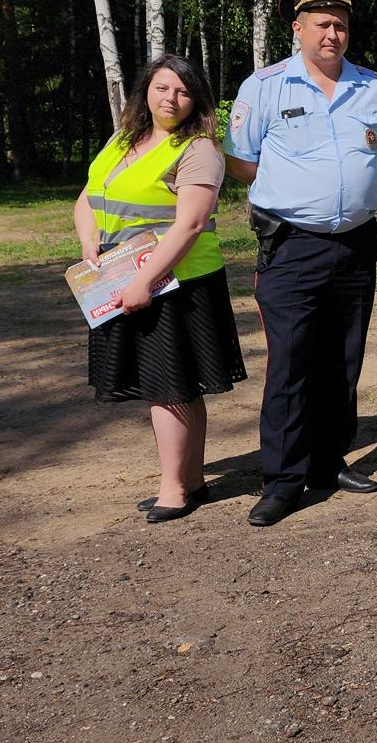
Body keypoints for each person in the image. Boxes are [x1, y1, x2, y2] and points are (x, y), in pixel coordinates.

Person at [224, 0, 377, 527]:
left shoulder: (373, 87)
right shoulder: (263, 87)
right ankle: (282, 479)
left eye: (341, 25)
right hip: (291, 248)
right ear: (298, 29)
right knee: (290, 364)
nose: (333, 35)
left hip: (355, 245)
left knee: (342, 360)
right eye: (322, 24)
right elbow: (241, 162)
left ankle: (329, 461)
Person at [74, 53, 246, 524]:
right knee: (174, 386)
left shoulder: (199, 150)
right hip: (119, 276)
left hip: (177, 284)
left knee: (170, 386)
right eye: (162, 87)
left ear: (197, 100)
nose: (171, 98)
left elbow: (190, 224)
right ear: (146, 90)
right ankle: (190, 480)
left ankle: (174, 487)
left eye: (183, 91)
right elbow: (88, 197)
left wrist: (144, 281)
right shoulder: (122, 139)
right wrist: (89, 240)